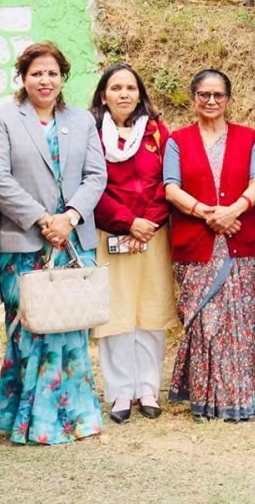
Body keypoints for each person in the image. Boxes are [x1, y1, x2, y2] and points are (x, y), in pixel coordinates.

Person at [0, 41, 108, 445]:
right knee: (29, 328)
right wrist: (42, 218)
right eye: (36, 73)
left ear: (62, 77)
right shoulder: (3, 119)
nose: (45, 80)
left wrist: (69, 217)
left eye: (52, 73)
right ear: (23, 77)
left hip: (72, 240)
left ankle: (75, 418)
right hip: (24, 240)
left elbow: (96, 175)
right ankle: (28, 420)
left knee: (70, 327)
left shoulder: (82, 120)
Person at [163, 69, 255, 422]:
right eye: (204, 94)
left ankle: (240, 399)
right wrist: (207, 213)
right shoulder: (177, 141)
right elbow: (171, 188)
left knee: (239, 324)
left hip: (239, 243)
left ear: (228, 99)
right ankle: (204, 401)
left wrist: (233, 211)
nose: (211, 101)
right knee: (205, 324)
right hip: (196, 245)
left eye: (218, 95)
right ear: (193, 97)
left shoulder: (249, 138)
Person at [89, 64, 176, 424]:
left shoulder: (156, 131)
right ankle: (121, 391)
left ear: (140, 94)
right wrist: (127, 222)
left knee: (151, 309)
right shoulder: (92, 133)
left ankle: (148, 388)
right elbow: (91, 183)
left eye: (130, 87)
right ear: (103, 95)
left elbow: (169, 179)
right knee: (117, 312)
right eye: (116, 88)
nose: (124, 94)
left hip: (153, 234)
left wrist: (148, 222)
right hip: (111, 233)